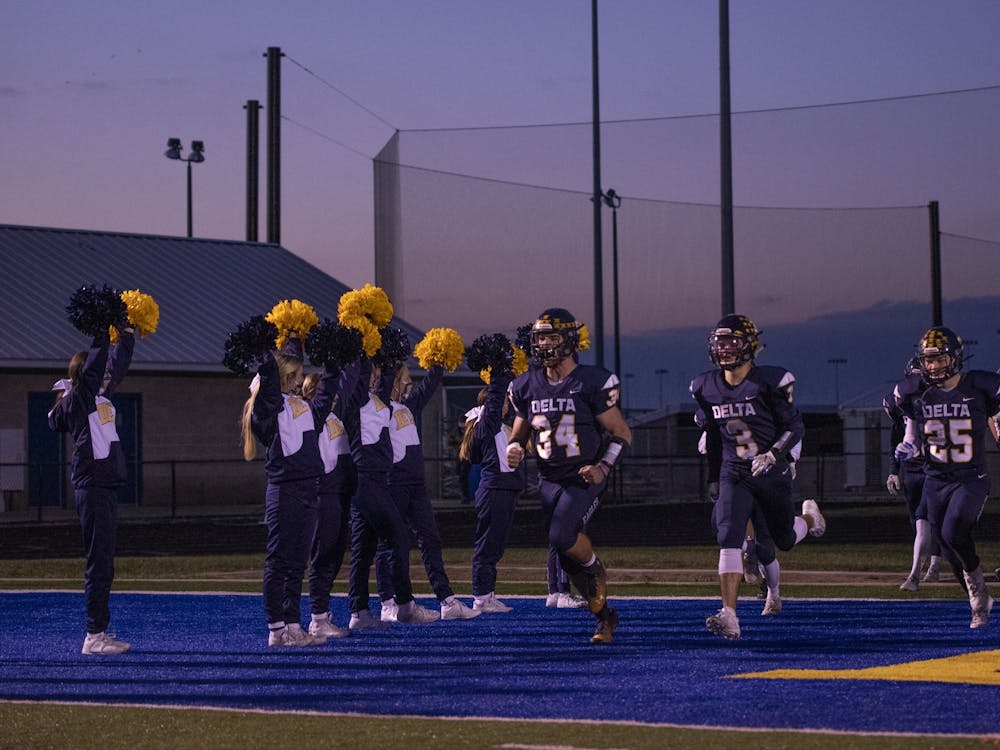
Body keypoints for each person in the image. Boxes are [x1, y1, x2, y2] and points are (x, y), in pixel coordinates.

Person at [690, 314, 825, 640]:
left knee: (783, 539)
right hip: (734, 471)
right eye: (720, 342)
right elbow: (711, 432)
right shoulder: (704, 386)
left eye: (732, 342)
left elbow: (795, 427)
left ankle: (809, 519)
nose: (725, 349)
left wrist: (774, 454)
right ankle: (730, 615)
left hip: (770, 471)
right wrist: (712, 476)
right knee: (728, 535)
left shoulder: (770, 381)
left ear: (750, 346)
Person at [506, 308, 631, 644]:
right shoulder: (525, 386)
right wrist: (514, 448)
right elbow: (518, 435)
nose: (544, 343)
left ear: (570, 340)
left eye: (551, 336)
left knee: (563, 536)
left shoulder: (590, 382)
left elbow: (622, 434)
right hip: (548, 479)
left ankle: (594, 566)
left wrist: (602, 467)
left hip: (583, 477)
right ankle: (604, 618)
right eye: (540, 337)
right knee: (562, 551)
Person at [891, 326, 1000, 628]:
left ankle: (978, 594)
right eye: (929, 360)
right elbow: (913, 439)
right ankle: (978, 599)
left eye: (940, 359)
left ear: (955, 357)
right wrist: (907, 448)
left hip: (970, 477)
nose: (934, 366)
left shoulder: (980, 387)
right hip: (935, 480)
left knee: (954, 532)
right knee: (950, 549)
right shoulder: (915, 392)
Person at [49, 321, 135, 655]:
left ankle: (98, 630)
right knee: (98, 562)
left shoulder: (98, 397)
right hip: (93, 486)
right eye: (99, 373)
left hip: (105, 486)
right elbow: (99, 366)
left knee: (105, 561)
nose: (107, 377)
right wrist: (100, 331)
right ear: (85, 375)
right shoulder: (79, 401)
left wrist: (125, 335)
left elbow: (116, 366)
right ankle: (93, 636)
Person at [242, 337, 334, 648]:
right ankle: (276, 628)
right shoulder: (268, 409)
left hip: (310, 487)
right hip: (285, 491)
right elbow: (268, 372)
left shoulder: (304, 406)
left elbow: (329, 392)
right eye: (295, 375)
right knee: (279, 560)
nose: (301, 379)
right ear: (285, 378)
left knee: (298, 562)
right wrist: (262, 345)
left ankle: (293, 624)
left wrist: (335, 360)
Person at [376, 363, 480, 621]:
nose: (409, 387)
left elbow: (426, 389)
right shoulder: (379, 408)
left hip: (416, 485)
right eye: (405, 382)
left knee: (431, 539)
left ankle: (446, 600)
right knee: (390, 544)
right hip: (393, 484)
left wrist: (438, 364)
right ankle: (388, 602)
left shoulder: (407, 407)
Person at [341, 357, 439, 628]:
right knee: (397, 536)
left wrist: (386, 353)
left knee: (364, 548)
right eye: (371, 374)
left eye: (376, 374)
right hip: (365, 478)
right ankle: (405, 605)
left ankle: (358, 612)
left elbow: (388, 381)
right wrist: (363, 357)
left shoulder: (380, 401)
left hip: (377, 479)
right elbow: (361, 378)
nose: (375, 378)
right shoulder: (356, 401)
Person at [460, 369, 526, 613]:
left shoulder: (500, 426)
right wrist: (502, 373)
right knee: (487, 544)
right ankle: (480, 596)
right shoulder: (484, 425)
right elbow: (496, 400)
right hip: (494, 490)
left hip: (505, 489)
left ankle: (488, 593)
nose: (507, 405)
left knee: (496, 544)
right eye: (502, 402)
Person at [301, 371, 354, 639]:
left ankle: (322, 613)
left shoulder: (333, 417)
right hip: (325, 493)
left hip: (338, 493)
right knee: (322, 556)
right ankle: (317, 618)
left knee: (333, 556)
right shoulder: (313, 417)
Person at [884, 357, 942, 592]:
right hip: (911, 466)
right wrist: (894, 470)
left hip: (933, 466)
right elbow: (897, 436)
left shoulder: (941, 401)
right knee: (917, 519)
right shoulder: (901, 402)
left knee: (926, 520)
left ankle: (924, 570)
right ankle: (924, 568)